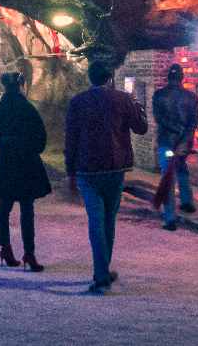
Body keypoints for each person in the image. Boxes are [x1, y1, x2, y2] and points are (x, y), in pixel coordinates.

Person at [65, 61, 148, 295]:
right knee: (109, 220)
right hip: (115, 168)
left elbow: (70, 139)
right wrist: (137, 107)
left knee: (96, 221)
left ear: (89, 78)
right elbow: (141, 128)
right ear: (110, 77)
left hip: (87, 169)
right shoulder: (122, 99)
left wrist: (70, 172)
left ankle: (101, 273)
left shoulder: (78, 102)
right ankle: (102, 271)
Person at [0, 72, 51, 272]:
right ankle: (29, 253)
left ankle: (5, 249)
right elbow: (41, 137)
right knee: (27, 210)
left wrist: (7, 147)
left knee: (4, 208)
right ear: (20, 86)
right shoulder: (27, 108)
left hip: (7, 162)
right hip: (26, 163)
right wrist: (30, 149)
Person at [152, 63, 198, 230]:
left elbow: (159, 119)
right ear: (182, 77)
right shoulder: (191, 97)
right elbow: (193, 122)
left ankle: (170, 218)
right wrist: (183, 140)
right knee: (181, 169)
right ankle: (187, 202)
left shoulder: (159, 95)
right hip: (184, 143)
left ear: (168, 77)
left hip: (166, 140)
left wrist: (173, 135)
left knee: (168, 177)